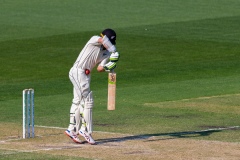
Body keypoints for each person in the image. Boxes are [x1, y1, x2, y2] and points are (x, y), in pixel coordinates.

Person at [64, 29, 120, 145]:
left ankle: (72, 129)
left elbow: (100, 68)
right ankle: (85, 131)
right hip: (78, 72)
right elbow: (102, 40)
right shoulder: (94, 40)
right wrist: (114, 51)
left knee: (78, 101)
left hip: (85, 75)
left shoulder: (107, 53)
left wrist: (110, 65)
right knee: (88, 100)